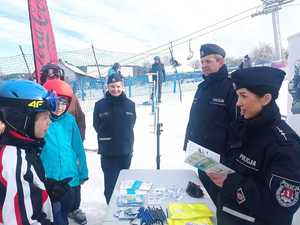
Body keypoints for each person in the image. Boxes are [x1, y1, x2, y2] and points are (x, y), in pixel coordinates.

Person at [207, 66, 300, 225]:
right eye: (237, 96)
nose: (237, 103)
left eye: (243, 96)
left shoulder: (284, 146)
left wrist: (229, 182)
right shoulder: (244, 127)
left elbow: (279, 207)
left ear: (265, 99)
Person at [183, 44, 237, 204]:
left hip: (220, 158)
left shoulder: (230, 88)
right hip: (200, 155)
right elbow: (194, 119)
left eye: (208, 61)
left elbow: (237, 124)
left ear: (220, 62)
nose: (204, 65)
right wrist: (188, 143)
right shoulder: (202, 88)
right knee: (207, 196)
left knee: (220, 199)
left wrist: (229, 155)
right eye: (202, 62)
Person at [0, 79, 57, 224]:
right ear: (22, 120)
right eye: (45, 117)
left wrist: (46, 188)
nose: (49, 122)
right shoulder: (14, 162)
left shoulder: (23, 149)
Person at [40, 63, 87, 223]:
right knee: (55, 213)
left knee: (68, 205)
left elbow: (78, 147)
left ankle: (73, 210)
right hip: (50, 176)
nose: (59, 106)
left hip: (69, 173)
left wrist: (82, 171)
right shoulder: (41, 116)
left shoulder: (70, 116)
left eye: (63, 103)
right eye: (50, 75)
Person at [93, 73, 136, 204]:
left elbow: (132, 123)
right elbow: (96, 125)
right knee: (110, 185)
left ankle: (122, 207)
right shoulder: (100, 105)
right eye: (112, 86)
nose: (115, 89)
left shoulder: (130, 104)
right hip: (108, 153)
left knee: (124, 184)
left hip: (125, 152)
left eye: (118, 86)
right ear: (107, 87)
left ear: (122, 86)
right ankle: (111, 208)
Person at [40, 63, 86, 140]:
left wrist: (78, 140)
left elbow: (80, 119)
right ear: (44, 79)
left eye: (56, 76)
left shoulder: (70, 97)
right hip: (46, 145)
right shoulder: (38, 97)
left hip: (67, 143)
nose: (53, 80)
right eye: (49, 77)